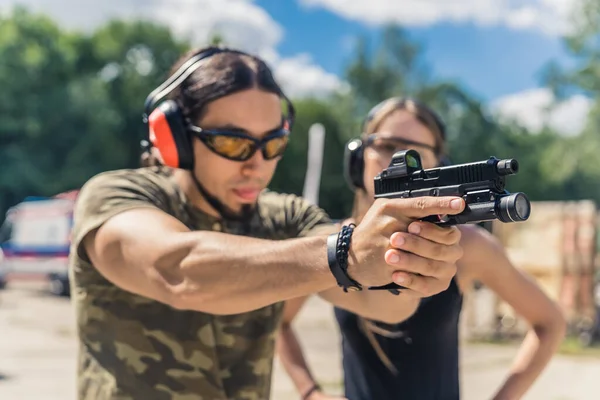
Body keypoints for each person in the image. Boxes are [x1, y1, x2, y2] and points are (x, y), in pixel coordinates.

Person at [68, 47, 468, 400]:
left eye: (272, 143)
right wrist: (344, 254)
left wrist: (407, 258)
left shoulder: (286, 217)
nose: (256, 164)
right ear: (175, 137)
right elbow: (178, 270)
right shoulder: (116, 197)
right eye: (232, 142)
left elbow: (381, 305)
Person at [276, 97, 567, 400]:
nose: (396, 160)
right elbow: (277, 320)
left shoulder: (467, 245)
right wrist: (310, 392)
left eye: (414, 153)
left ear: (437, 168)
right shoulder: (334, 244)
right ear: (359, 157)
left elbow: (550, 323)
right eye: (386, 146)